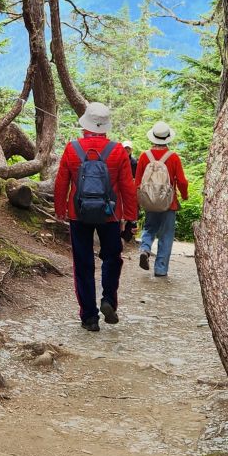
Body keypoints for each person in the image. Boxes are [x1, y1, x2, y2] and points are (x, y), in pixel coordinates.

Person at [54, 103, 138, 332]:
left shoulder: (72, 149)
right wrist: (131, 217)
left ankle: (89, 317)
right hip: (110, 214)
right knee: (112, 258)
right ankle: (108, 299)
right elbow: (127, 187)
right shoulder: (118, 150)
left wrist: (60, 209)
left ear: (86, 126)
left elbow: (61, 182)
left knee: (83, 264)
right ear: (105, 127)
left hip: (78, 213)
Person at [135, 121, 189, 277]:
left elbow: (137, 181)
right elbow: (182, 181)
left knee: (149, 228)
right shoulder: (173, 157)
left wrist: (138, 202)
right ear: (167, 138)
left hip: (149, 201)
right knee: (166, 235)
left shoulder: (144, 156)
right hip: (168, 202)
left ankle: (145, 248)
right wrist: (184, 195)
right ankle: (160, 269)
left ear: (153, 137)